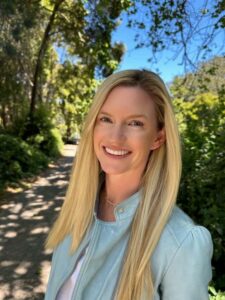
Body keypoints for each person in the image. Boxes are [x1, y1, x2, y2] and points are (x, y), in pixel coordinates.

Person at [44, 70, 213, 300]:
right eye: (106, 119)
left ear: (158, 137)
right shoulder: (79, 208)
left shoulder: (181, 243)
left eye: (135, 123)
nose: (115, 137)